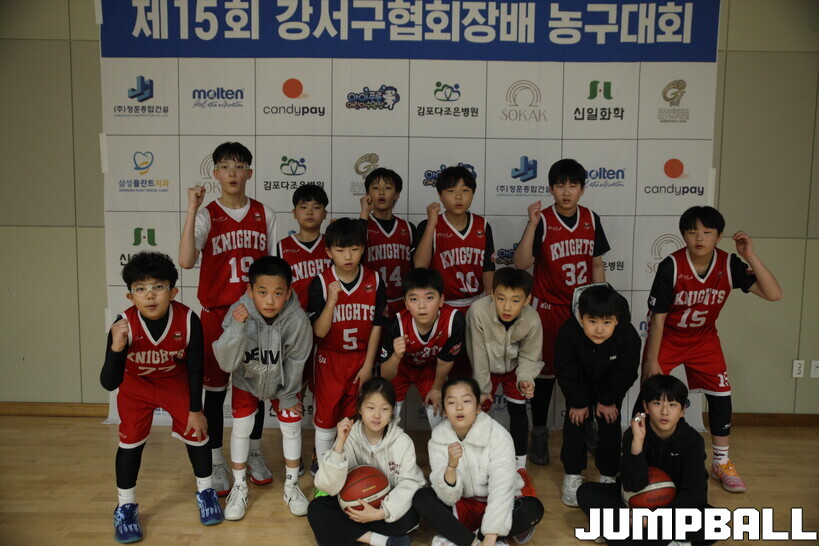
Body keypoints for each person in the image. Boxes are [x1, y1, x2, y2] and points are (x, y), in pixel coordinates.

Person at [642, 206, 781, 493]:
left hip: (703, 338)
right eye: (692, 231)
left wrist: (750, 256)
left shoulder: (729, 264)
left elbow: (773, 294)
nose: (699, 238)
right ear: (683, 235)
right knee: (650, 392)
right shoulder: (671, 265)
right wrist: (652, 360)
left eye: (707, 232)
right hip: (669, 336)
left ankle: (721, 462)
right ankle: (640, 454)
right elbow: (658, 319)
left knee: (721, 397)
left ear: (718, 236)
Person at [101, 252, 223, 543]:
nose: (150, 295)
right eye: (140, 289)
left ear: (173, 292)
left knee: (197, 432)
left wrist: (195, 409)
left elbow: (196, 368)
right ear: (130, 296)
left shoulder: (188, 320)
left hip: (174, 382)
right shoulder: (123, 324)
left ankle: (206, 491)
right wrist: (116, 348)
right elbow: (109, 382)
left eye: (158, 287)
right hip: (136, 386)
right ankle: (125, 506)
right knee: (130, 442)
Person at [179, 141, 277, 495]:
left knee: (255, 389)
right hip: (217, 315)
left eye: (238, 166)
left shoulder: (265, 213)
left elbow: (274, 269)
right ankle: (217, 459)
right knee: (215, 393)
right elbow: (186, 261)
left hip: (255, 315)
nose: (232, 173)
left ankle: (253, 453)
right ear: (215, 173)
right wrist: (192, 208)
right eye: (225, 166)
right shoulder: (207, 214)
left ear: (249, 172)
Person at [513, 158, 610, 466]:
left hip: (582, 310)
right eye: (560, 185)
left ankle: (588, 426)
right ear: (551, 189)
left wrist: (600, 304)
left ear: (582, 189)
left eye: (573, 185)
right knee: (545, 375)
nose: (566, 192)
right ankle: (540, 431)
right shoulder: (542, 220)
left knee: (587, 371)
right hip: (548, 309)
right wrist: (531, 224)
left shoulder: (591, 219)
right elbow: (521, 264)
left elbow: (596, 263)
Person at [212, 256, 312, 520]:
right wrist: (237, 329)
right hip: (247, 381)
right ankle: (239, 486)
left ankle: (292, 486)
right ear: (250, 290)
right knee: (242, 427)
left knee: (291, 426)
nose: (270, 301)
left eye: (278, 293)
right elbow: (225, 363)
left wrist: (288, 395)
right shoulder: (238, 312)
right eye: (263, 292)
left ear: (288, 292)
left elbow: (297, 360)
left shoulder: (297, 320)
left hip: (282, 383)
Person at [576, 375, 712, 545]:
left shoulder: (692, 440)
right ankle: (670, 540)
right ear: (646, 407)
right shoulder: (633, 434)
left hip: (673, 504)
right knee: (587, 492)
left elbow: (695, 493)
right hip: (636, 503)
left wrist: (653, 519)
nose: (664, 412)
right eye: (657, 403)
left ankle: (616, 530)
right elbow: (633, 485)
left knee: (711, 522)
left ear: (683, 410)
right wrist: (637, 445)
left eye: (672, 405)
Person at [412, 377, 544, 546]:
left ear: (478, 407)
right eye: (451, 402)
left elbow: (501, 490)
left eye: (466, 401)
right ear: (444, 410)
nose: (459, 407)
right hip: (463, 504)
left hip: (498, 504)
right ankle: (472, 541)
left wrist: (489, 537)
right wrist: (451, 466)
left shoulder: (499, 436)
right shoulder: (438, 437)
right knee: (422, 498)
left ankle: (470, 538)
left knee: (533, 508)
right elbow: (447, 496)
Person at [307, 218, 389, 474]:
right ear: (328, 252)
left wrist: (368, 365)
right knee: (325, 421)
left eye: (354, 249)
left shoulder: (375, 280)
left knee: (354, 419)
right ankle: (324, 471)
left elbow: (377, 326)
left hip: (360, 358)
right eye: (340, 250)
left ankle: (350, 469)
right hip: (329, 359)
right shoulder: (321, 282)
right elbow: (319, 332)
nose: (348, 256)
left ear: (363, 248)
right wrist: (331, 303)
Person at [308, 378, 425, 546]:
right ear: (360, 408)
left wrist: (380, 513)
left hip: (385, 509)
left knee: (412, 515)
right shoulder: (349, 436)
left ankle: (351, 535)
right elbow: (328, 486)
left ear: (392, 411)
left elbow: (410, 484)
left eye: (384, 409)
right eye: (370, 408)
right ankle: (383, 541)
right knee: (316, 508)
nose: (377, 415)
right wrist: (339, 444)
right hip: (353, 508)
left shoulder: (402, 442)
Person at [555, 283, 640, 507]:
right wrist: (578, 402)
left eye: (607, 322)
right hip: (579, 384)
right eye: (592, 322)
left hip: (610, 386)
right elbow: (565, 370)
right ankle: (572, 474)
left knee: (609, 421)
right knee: (575, 420)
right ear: (581, 317)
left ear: (617, 320)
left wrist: (608, 400)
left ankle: (609, 475)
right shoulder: (568, 333)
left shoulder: (628, 336)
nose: (599, 329)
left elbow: (626, 372)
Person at [415, 165, 496, 376]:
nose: (458, 197)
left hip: (476, 305)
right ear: (440, 196)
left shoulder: (482, 225)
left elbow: (488, 267)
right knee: (444, 367)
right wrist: (432, 223)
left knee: (474, 367)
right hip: (442, 308)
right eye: (451, 191)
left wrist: (491, 305)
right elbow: (420, 266)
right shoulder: (429, 226)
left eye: (465, 190)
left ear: (473, 194)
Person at [465, 267, 542, 489]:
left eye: (515, 300)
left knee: (518, 410)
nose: (507, 307)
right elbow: (477, 354)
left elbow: (530, 356)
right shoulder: (478, 311)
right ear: (491, 293)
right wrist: (483, 388)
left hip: (514, 369)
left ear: (527, 300)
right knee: (478, 414)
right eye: (501, 298)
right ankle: (476, 463)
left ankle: (519, 466)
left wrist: (526, 379)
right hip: (486, 368)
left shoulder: (532, 319)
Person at [379, 268, 465, 429]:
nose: (422, 306)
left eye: (429, 298)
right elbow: (385, 374)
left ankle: (441, 444)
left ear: (441, 300)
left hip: (430, 367)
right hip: (401, 367)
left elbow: (445, 360)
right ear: (406, 303)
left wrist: (437, 388)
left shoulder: (454, 321)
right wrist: (396, 356)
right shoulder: (397, 324)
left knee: (437, 415)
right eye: (414, 299)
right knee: (387, 414)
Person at [359, 167, 416, 319]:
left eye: (388, 188)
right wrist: (364, 213)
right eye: (375, 188)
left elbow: (417, 268)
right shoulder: (361, 226)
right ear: (367, 194)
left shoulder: (408, 228)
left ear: (397, 194)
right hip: (370, 301)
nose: (381, 192)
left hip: (402, 302)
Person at [277, 183, 333, 311]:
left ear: (325, 213)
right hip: (294, 317)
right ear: (294, 213)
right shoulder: (281, 247)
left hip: (328, 315)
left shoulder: (333, 245)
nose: (309, 212)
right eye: (303, 207)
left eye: (316, 207)